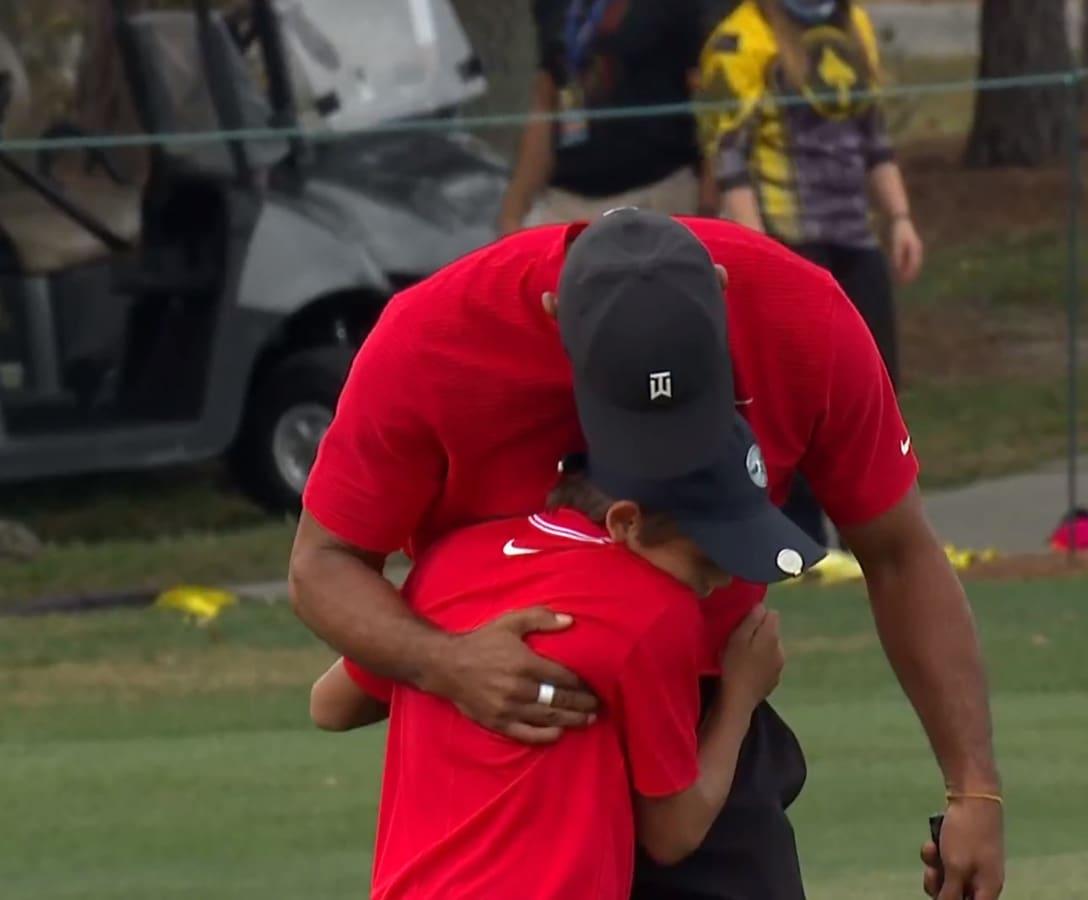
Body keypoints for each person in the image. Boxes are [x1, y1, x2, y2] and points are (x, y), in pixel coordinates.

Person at [290, 209, 1004, 900]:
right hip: (491, 707)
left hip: (678, 701)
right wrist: (445, 665)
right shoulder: (433, 338)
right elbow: (322, 563)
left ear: (722, 290)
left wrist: (973, 786)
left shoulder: (801, 315)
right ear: (551, 311)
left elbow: (901, 554)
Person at [309, 405, 825, 897]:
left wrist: (452, 661)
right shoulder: (654, 611)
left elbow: (329, 706)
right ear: (627, 522)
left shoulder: (457, 558)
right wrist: (740, 694)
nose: (719, 582)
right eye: (706, 560)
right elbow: (673, 832)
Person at [694, 0, 923, 547]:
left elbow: (874, 138)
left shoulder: (852, 25)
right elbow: (731, 163)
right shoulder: (738, 42)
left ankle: (875, 534)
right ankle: (798, 536)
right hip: (788, 236)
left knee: (875, 388)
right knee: (793, 396)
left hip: (854, 237)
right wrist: (763, 258)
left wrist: (900, 218)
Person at [495, 0, 729, 233]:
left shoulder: (675, 7)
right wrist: (514, 209)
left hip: (656, 192)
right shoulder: (553, 7)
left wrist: (711, 184)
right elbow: (545, 106)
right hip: (566, 201)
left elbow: (707, 93)